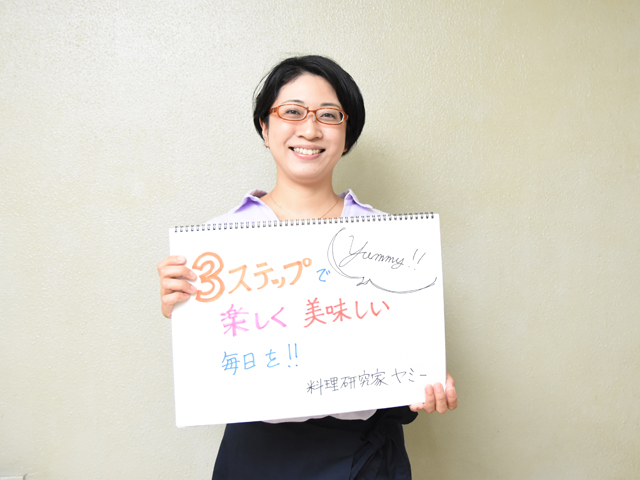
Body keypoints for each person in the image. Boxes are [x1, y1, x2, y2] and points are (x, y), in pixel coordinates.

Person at [157, 55, 457, 480]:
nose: (310, 130)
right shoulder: (214, 243)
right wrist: (182, 307)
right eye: (292, 112)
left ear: (347, 135)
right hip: (256, 457)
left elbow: (407, 349)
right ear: (265, 127)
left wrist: (427, 378)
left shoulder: (391, 238)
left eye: (329, 115)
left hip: (363, 458)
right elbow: (210, 356)